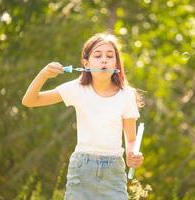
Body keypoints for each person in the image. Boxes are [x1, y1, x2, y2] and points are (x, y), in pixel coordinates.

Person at [22, 33, 145, 200]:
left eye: (110, 56)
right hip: (82, 169)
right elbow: (30, 101)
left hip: (113, 173)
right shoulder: (77, 89)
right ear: (86, 64)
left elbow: (131, 139)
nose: (104, 60)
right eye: (97, 55)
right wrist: (43, 74)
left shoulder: (127, 95)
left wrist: (132, 155)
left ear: (116, 64)